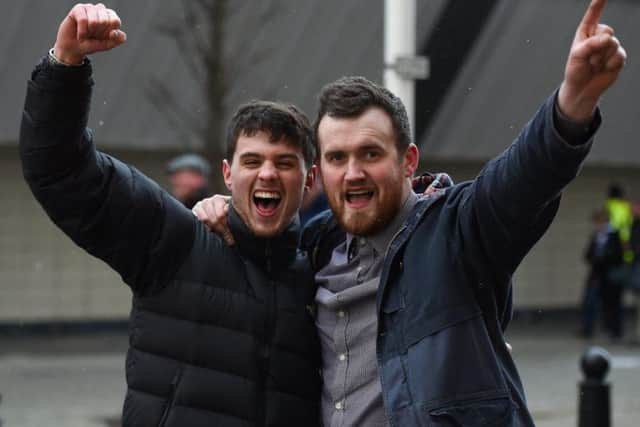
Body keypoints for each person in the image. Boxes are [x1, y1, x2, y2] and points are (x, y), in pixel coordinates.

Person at [194, 0, 626, 425]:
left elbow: (524, 178)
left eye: (370, 153)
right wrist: (224, 214)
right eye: (337, 157)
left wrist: (574, 99)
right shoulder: (314, 247)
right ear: (320, 170)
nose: (353, 173)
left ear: (408, 160)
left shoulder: (459, 232)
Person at [19, 4, 322, 426]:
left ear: (309, 182)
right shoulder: (176, 242)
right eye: (253, 161)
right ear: (228, 174)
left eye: (285, 163)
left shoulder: (324, 282)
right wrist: (64, 65)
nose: (268, 173)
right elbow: (62, 171)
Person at [581, 208, 624, 338]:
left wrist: (604, 257)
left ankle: (615, 330)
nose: (598, 225)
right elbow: (587, 255)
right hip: (596, 275)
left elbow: (618, 256)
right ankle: (587, 329)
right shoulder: (596, 237)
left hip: (610, 275)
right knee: (589, 302)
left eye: (600, 222)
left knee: (612, 304)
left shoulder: (615, 235)